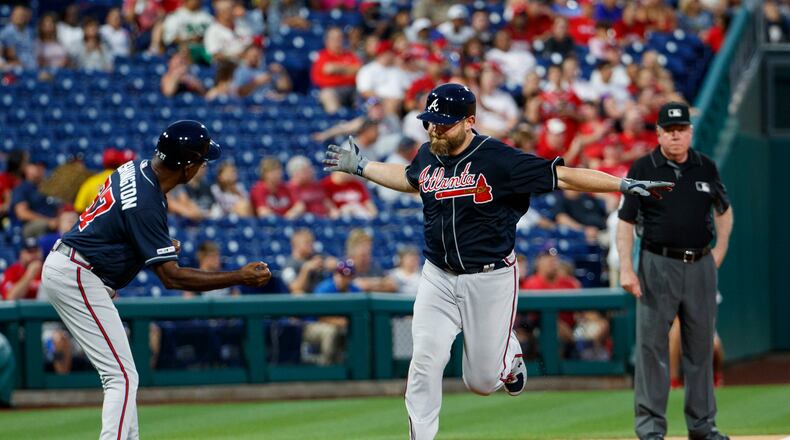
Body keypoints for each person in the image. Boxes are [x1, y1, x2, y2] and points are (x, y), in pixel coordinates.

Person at [323, 82, 671, 440]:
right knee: (424, 362)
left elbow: (563, 175)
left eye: (444, 122)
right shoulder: (429, 153)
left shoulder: (500, 159)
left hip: (489, 279)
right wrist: (363, 167)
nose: (435, 128)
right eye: (430, 121)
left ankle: (509, 357)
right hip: (437, 277)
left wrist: (622, 185)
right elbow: (412, 180)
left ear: (470, 121)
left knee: (481, 382)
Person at [38, 120, 272, 440]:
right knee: (120, 376)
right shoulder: (148, 199)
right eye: (202, 161)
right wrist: (239, 276)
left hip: (76, 267)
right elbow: (172, 278)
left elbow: (118, 227)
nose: (203, 167)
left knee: (123, 374)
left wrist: (153, 245)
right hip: (77, 272)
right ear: (188, 166)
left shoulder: (136, 167)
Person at [616, 102, 733, 440]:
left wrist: (720, 250)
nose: (676, 136)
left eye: (681, 129)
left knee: (700, 347)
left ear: (690, 132)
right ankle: (651, 429)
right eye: (669, 130)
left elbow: (724, 210)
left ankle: (703, 426)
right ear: (659, 134)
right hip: (657, 263)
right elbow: (624, 222)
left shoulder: (705, 167)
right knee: (652, 349)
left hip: (700, 263)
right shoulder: (643, 166)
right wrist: (626, 268)